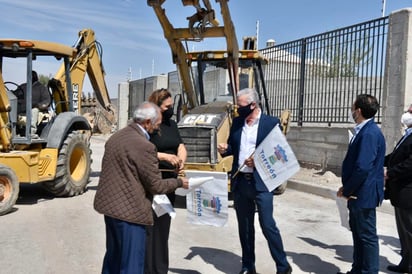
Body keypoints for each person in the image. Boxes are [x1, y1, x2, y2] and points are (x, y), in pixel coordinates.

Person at [93, 101, 189, 274]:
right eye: (157, 125)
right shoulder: (145, 146)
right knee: (131, 265)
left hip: (110, 211)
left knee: (113, 260)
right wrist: (179, 182)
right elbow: (156, 186)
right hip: (131, 215)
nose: (158, 129)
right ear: (147, 123)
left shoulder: (117, 136)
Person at [217, 88, 292, 274]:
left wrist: (258, 161)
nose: (237, 109)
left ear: (253, 105)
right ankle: (248, 266)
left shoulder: (270, 123)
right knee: (245, 227)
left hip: (262, 183)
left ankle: (283, 266)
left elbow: (280, 154)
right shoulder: (237, 123)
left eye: (240, 106)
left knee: (268, 225)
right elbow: (234, 147)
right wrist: (225, 149)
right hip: (241, 182)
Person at [337, 94, 385, 274]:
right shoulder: (365, 130)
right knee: (358, 235)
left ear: (358, 110)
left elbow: (363, 167)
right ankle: (357, 269)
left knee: (367, 236)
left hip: (363, 194)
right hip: (358, 193)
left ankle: (369, 271)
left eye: (352, 107)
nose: (351, 110)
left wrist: (347, 189)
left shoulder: (370, 133)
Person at [145, 88, 187, 274]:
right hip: (152, 181)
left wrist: (181, 158)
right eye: (166, 107)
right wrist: (164, 157)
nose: (170, 110)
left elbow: (180, 145)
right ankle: (147, 268)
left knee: (163, 228)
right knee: (149, 228)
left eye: (171, 106)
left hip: (169, 183)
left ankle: (160, 269)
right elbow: (143, 150)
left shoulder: (172, 124)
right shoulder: (149, 125)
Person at [383, 105, 412, 273]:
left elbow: (410, 164)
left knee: (409, 230)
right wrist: (380, 160)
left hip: (407, 191)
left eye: (411, 111)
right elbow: (395, 157)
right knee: (404, 231)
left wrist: (390, 173)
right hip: (400, 191)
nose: (407, 113)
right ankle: (406, 262)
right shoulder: (407, 134)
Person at [18, 70, 51, 137]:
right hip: (23, 109)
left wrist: (38, 106)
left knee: (34, 111)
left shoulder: (41, 88)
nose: (31, 77)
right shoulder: (22, 86)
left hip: (35, 109)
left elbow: (47, 100)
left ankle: (31, 132)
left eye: (33, 75)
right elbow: (15, 95)